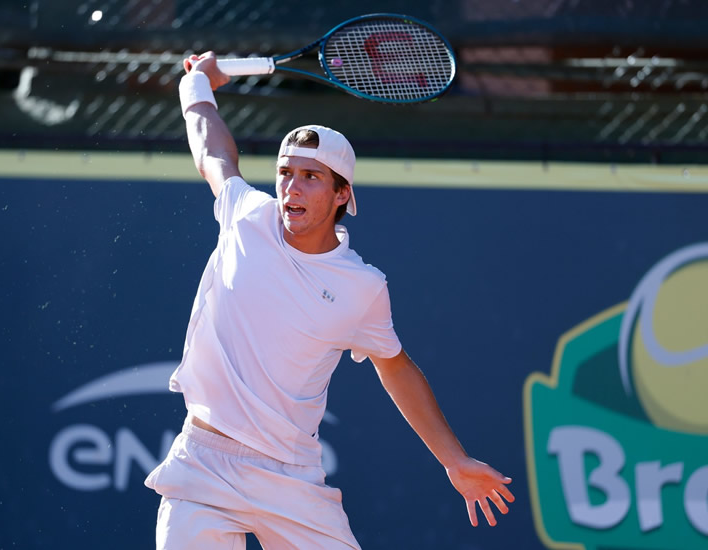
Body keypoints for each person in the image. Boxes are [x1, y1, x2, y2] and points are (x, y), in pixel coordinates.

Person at [144, 51, 514, 550]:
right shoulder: (245, 216)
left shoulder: (362, 287)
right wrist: (197, 88)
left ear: (342, 195)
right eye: (285, 173)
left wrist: (453, 459)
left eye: (310, 177)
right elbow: (214, 152)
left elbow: (396, 368)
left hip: (291, 478)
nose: (291, 187)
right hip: (203, 463)